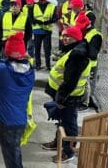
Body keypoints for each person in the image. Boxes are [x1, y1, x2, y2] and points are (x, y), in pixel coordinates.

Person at [0, 32, 35, 168]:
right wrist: (19, 55)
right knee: (14, 151)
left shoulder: (2, 69)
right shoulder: (30, 70)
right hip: (20, 118)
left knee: (10, 155)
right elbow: (15, 61)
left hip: (7, 121)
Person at [42, 26, 91, 163]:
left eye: (68, 36)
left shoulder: (78, 55)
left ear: (76, 38)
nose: (64, 38)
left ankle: (68, 152)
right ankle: (58, 143)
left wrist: (61, 100)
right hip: (64, 96)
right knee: (61, 121)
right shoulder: (73, 50)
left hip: (68, 98)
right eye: (63, 36)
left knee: (69, 126)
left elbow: (70, 82)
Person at [75, 11, 102, 110]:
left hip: (89, 64)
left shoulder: (95, 35)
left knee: (87, 84)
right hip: (82, 62)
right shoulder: (85, 32)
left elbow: (93, 54)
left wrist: (83, 45)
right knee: (81, 83)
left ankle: (85, 104)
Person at [32, 0, 57, 70]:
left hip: (47, 31)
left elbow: (55, 18)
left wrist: (49, 21)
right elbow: (30, 17)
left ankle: (48, 65)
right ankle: (38, 65)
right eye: (41, 0)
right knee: (37, 49)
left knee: (47, 49)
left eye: (44, 0)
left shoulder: (52, 6)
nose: (43, 1)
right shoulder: (34, 6)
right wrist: (36, 21)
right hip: (37, 30)